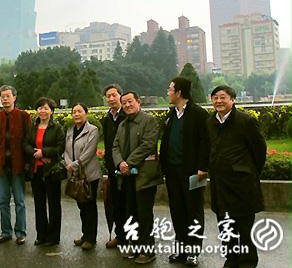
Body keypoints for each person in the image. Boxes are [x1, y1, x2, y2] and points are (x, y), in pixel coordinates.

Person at [207, 85, 266, 268]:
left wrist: (248, 171)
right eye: (215, 98)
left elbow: (259, 150)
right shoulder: (210, 122)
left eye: (222, 97)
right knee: (225, 225)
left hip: (242, 184)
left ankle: (248, 262)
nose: (218, 101)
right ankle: (231, 259)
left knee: (244, 226)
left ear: (232, 100)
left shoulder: (245, 121)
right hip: (220, 183)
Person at [159, 77, 209, 267]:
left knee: (194, 211)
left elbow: (206, 143)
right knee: (177, 211)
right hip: (173, 172)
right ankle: (181, 249)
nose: (168, 92)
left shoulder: (199, 114)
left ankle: (193, 252)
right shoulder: (172, 114)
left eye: (170, 89)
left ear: (179, 92)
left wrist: (203, 167)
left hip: (193, 172)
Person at [112, 91, 163, 265]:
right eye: (124, 102)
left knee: (144, 215)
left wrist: (129, 163)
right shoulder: (122, 124)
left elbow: (148, 144)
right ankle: (134, 247)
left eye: (130, 101)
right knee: (130, 214)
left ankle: (147, 251)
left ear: (138, 102)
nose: (127, 105)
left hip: (144, 176)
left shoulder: (149, 121)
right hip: (126, 176)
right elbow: (115, 146)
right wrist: (120, 163)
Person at [0, 85, 32, 245]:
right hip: (1, 166)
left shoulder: (23, 116)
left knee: (20, 201)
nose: (5, 99)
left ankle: (21, 232)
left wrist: (28, 163)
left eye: (8, 96)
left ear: (14, 98)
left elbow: (29, 141)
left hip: (18, 165)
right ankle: (6, 232)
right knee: (3, 201)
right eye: (2, 96)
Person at [23, 97, 65, 247]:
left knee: (54, 204)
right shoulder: (32, 127)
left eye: (46, 108)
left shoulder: (57, 128)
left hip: (51, 170)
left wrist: (44, 152)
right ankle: (41, 235)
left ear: (51, 111)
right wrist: (37, 154)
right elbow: (25, 144)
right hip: (36, 169)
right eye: (40, 108)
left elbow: (60, 147)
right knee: (39, 204)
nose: (43, 111)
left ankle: (53, 237)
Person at [64, 103, 101, 251]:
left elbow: (89, 152)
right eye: (74, 112)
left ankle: (91, 238)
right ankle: (85, 235)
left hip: (89, 174)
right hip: (75, 174)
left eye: (79, 111)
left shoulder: (93, 130)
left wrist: (74, 165)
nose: (76, 114)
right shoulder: (70, 130)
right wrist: (68, 163)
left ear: (86, 113)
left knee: (89, 205)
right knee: (81, 205)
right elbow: (66, 150)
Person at [100, 84, 127, 249]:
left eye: (114, 95)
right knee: (116, 203)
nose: (111, 99)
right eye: (108, 96)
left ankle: (134, 238)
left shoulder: (127, 115)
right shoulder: (107, 119)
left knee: (130, 204)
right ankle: (120, 235)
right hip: (112, 167)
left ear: (120, 96)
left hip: (127, 166)